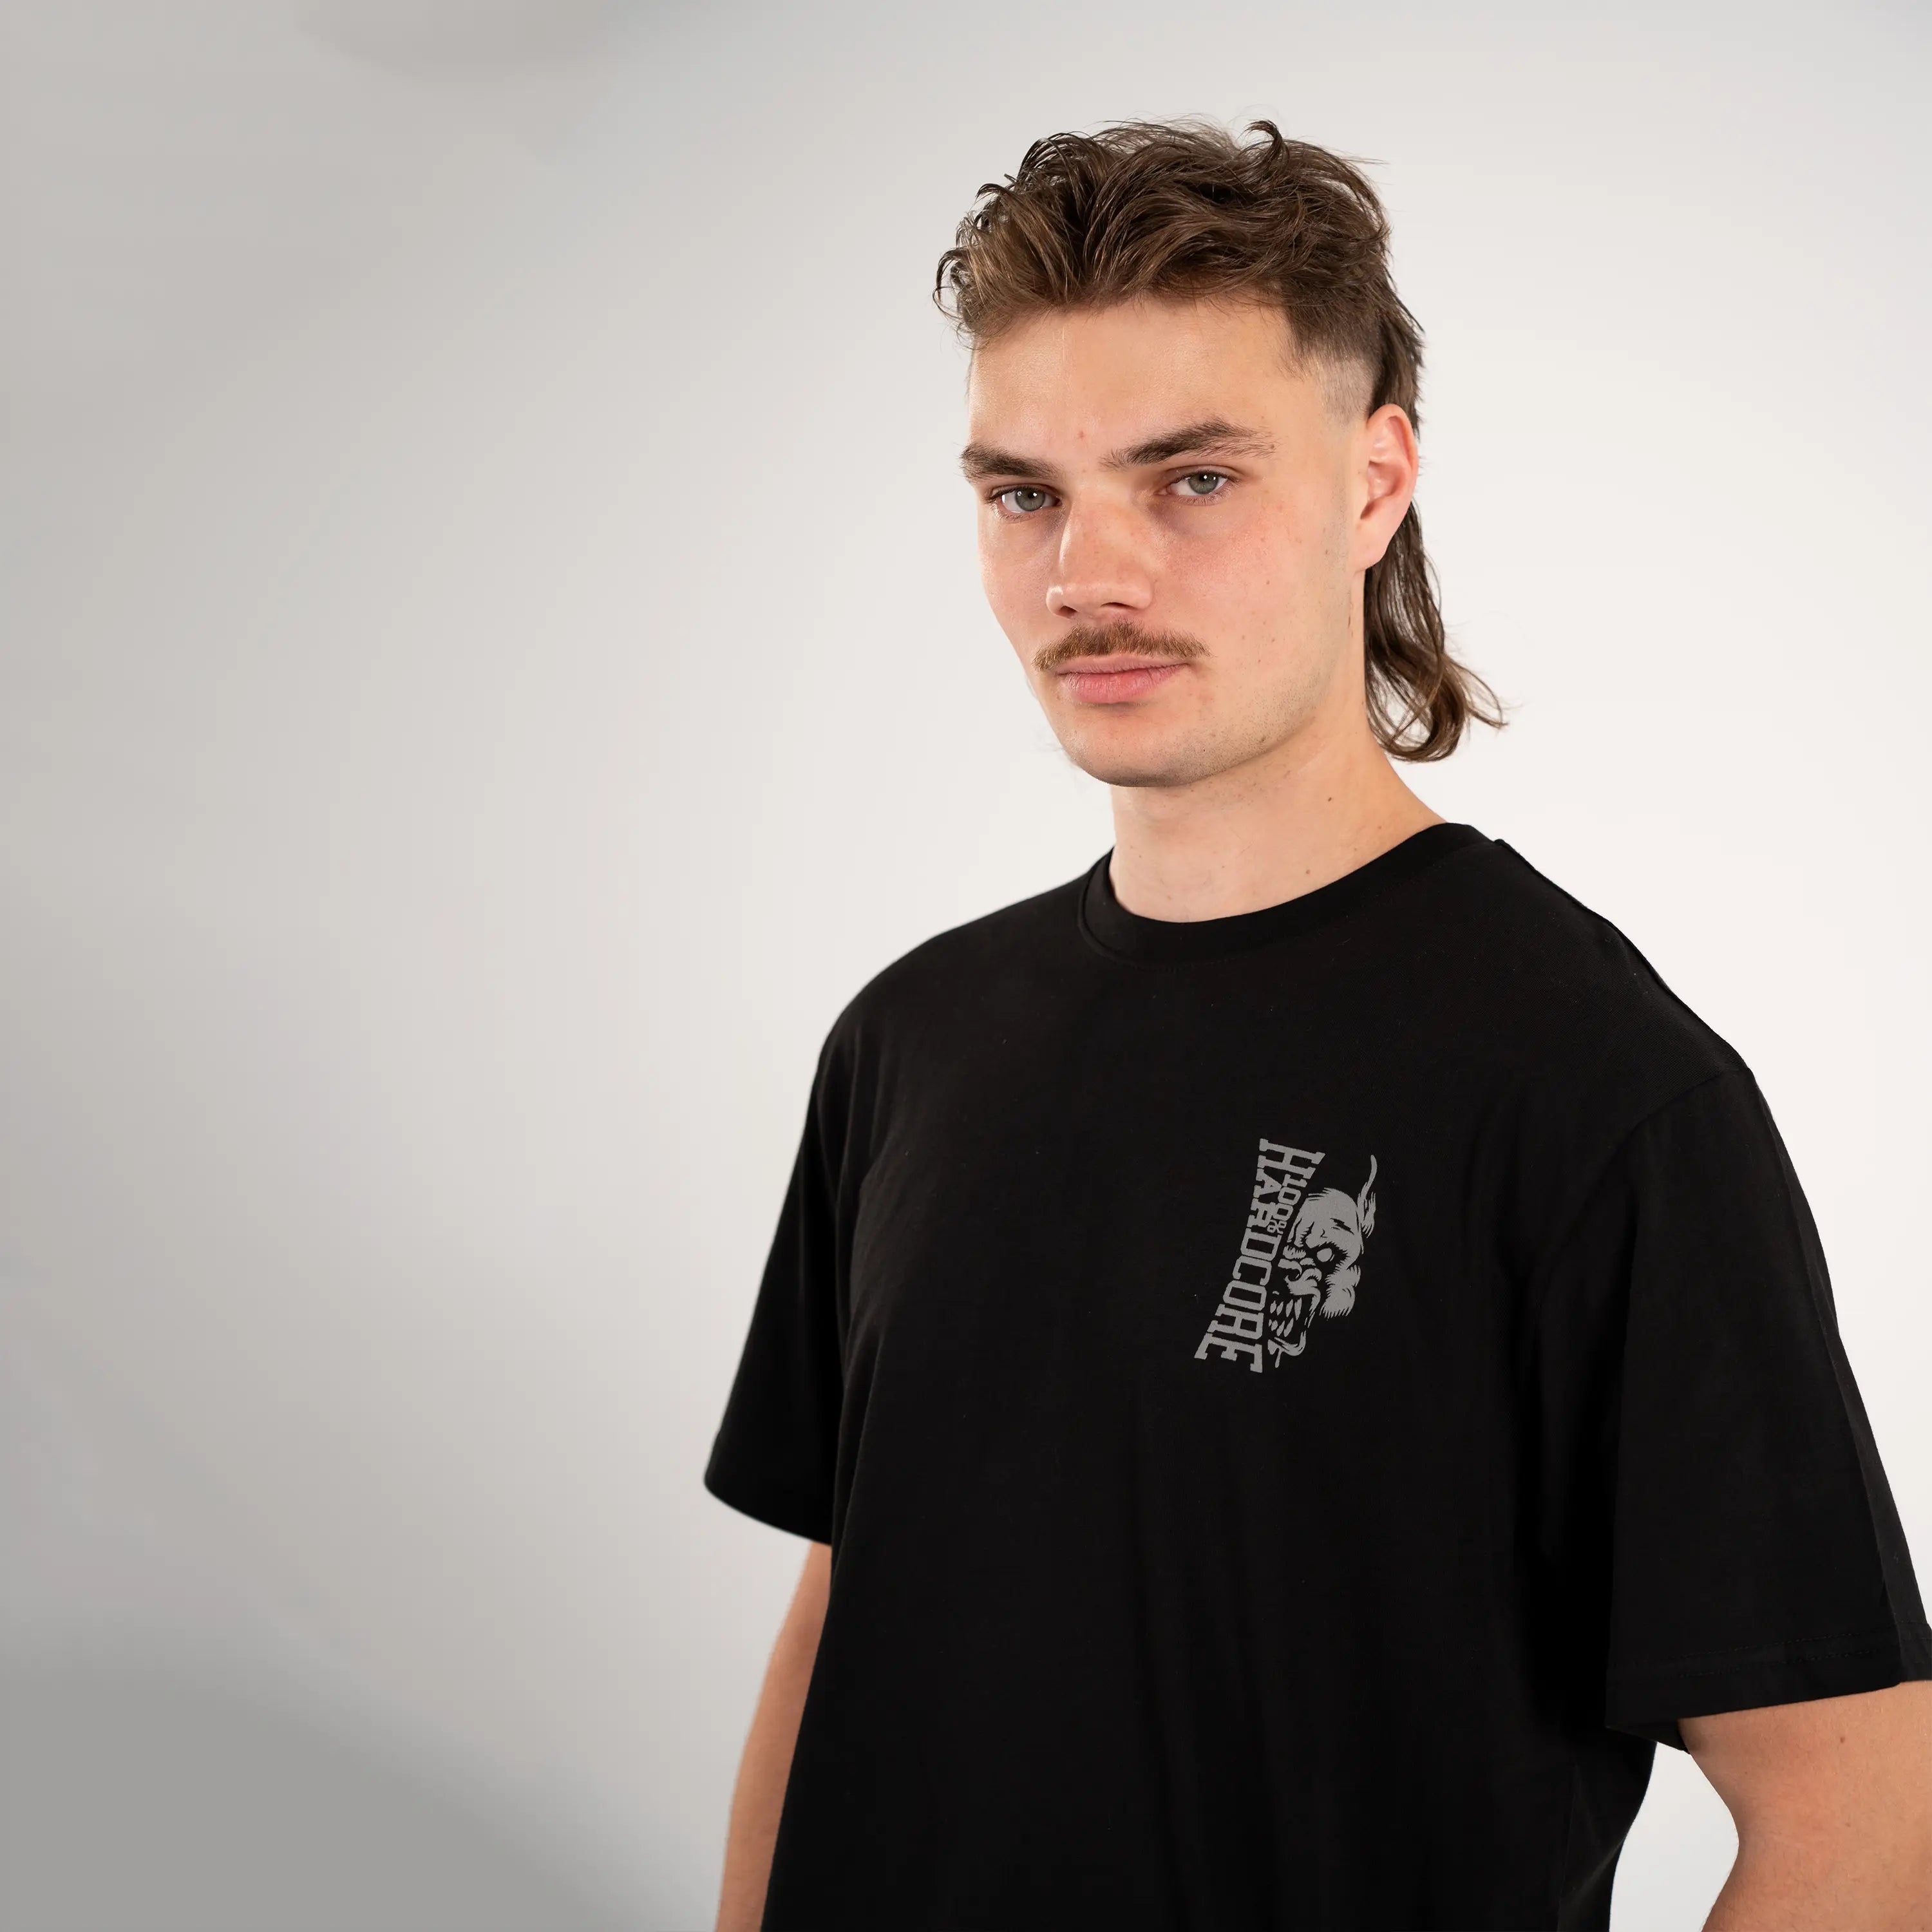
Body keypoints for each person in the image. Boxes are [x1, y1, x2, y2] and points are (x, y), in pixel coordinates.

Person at [701, 119, 1932, 1931]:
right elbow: (843, 1614)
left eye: (1192, 479)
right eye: (1025, 494)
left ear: (1375, 484)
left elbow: (1862, 1811)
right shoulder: (910, 1040)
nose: (1088, 575)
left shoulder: (1594, 1088)